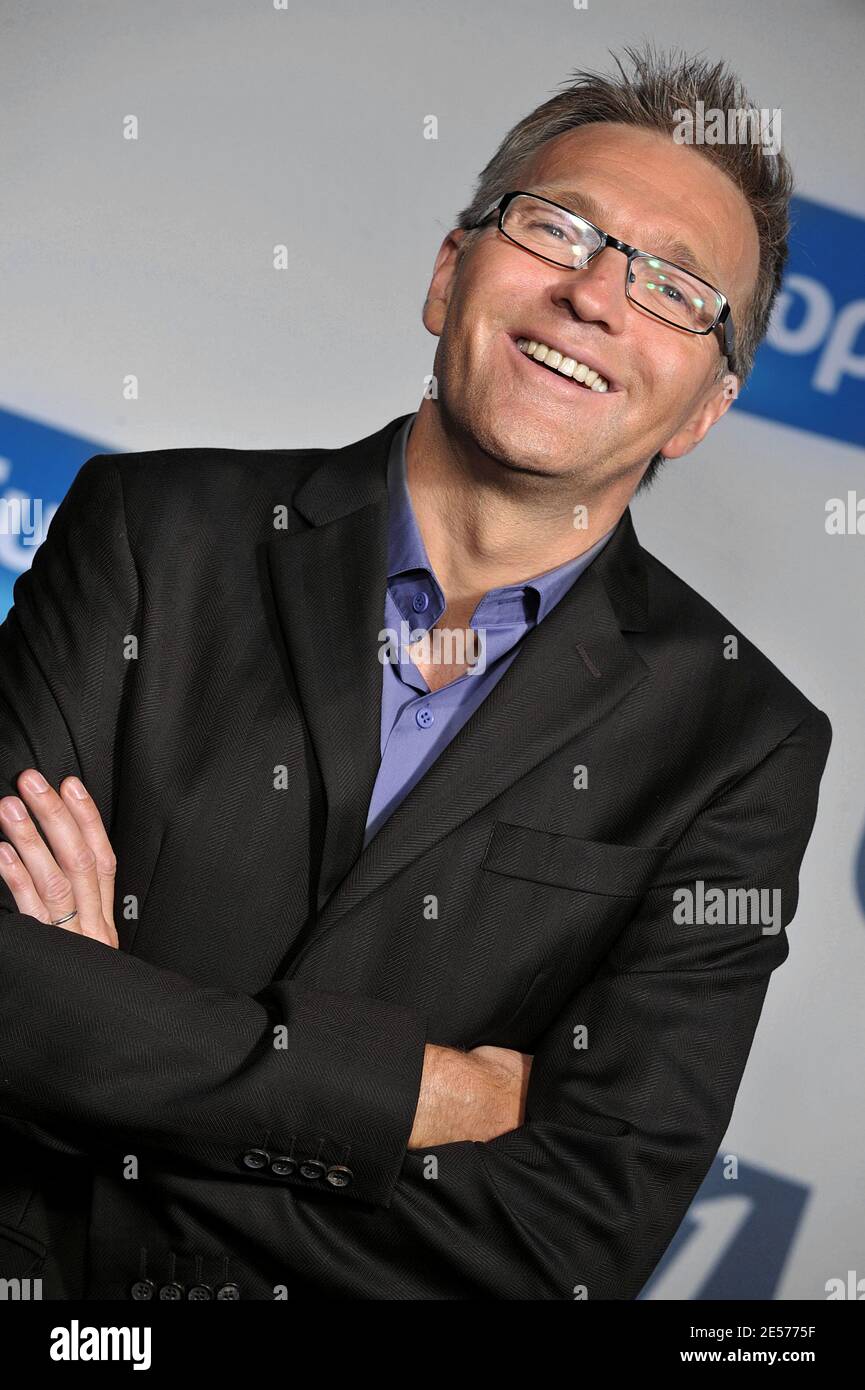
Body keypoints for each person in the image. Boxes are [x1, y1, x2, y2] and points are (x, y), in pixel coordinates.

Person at [0, 47, 831, 1300]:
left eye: (672, 288)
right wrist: (412, 1094)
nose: (597, 293)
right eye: (559, 229)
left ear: (702, 410)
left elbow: (571, 1238)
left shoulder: (742, 741)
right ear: (451, 275)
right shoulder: (151, 531)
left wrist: (103, 1046)